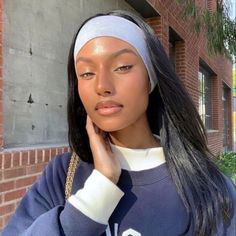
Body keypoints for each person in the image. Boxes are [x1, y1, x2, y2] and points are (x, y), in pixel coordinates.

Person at [2, 10, 236, 236]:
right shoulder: (61, 175)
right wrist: (98, 191)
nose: (102, 85)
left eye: (122, 67)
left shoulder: (209, 187)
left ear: (151, 77)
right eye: (86, 73)